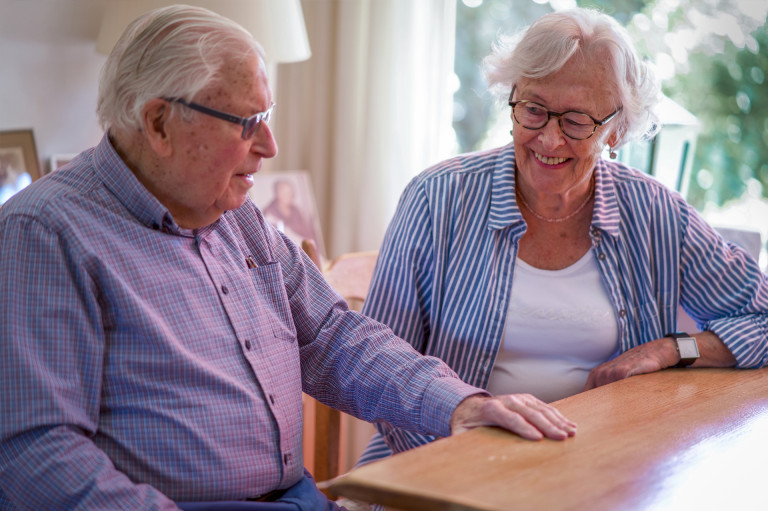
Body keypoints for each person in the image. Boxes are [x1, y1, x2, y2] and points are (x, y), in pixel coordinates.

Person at [0, 5, 576, 510]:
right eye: (247, 122)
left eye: (267, 117)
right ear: (158, 123)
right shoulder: (44, 233)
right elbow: (36, 455)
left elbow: (334, 338)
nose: (269, 146)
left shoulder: (235, 216)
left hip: (301, 497)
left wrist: (460, 405)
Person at [356, 7, 768, 469]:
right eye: (533, 110)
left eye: (575, 121)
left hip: (601, 471)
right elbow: (379, 369)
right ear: (511, 99)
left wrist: (673, 349)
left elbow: (763, 317)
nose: (549, 140)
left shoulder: (654, 214)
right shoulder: (437, 199)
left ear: (617, 128)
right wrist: (459, 471)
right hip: (440, 465)